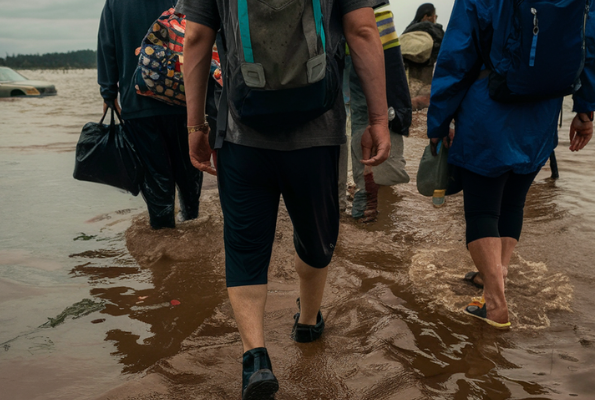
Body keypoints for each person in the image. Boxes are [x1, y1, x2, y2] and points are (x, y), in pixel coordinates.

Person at [177, 0, 390, 397]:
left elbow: (195, 37)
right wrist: (378, 120)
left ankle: (255, 359)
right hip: (318, 133)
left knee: (245, 246)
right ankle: (307, 323)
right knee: (316, 235)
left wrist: (195, 126)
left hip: (241, 133)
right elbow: (363, 31)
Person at [427, 0, 595, 328]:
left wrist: (438, 121)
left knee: (482, 211)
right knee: (513, 202)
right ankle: (496, 274)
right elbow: (591, 45)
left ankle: (495, 303)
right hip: (542, 115)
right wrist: (585, 110)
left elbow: (457, 55)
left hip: (488, 110)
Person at [98, 0, 203, 230]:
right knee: (189, 172)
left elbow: (107, 47)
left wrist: (108, 92)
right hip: (183, 100)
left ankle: (164, 242)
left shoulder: (115, 3)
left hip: (138, 106)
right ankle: (193, 228)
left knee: (156, 180)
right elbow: (201, 36)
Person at [343, 5, 412, 222]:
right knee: (367, 121)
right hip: (362, 45)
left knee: (329, 122)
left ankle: (329, 206)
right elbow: (367, 28)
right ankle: (366, 205)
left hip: (318, 51)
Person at [402, 3, 445, 90]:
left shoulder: (406, 33)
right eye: (435, 16)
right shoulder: (435, 32)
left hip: (407, 83)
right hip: (427, 82)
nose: (435, 19)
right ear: (426, 17)